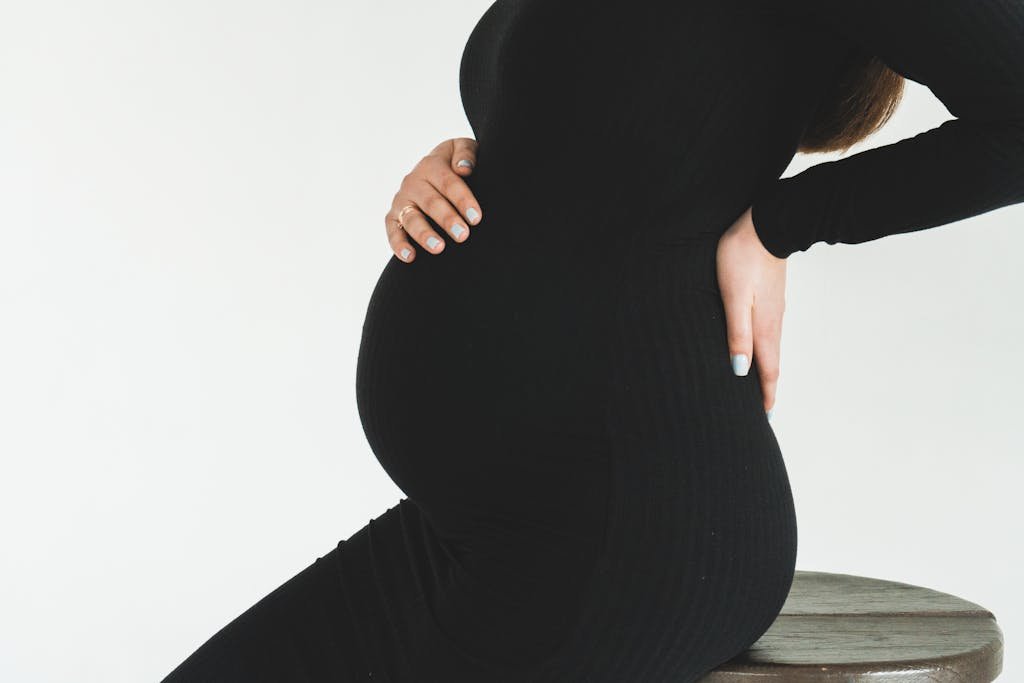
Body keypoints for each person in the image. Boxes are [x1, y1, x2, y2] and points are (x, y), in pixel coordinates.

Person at [160, 0, 1024, 681]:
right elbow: (608, 118)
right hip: (499, 522)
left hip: (620, 532)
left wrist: (782, 224)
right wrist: (471, 161)